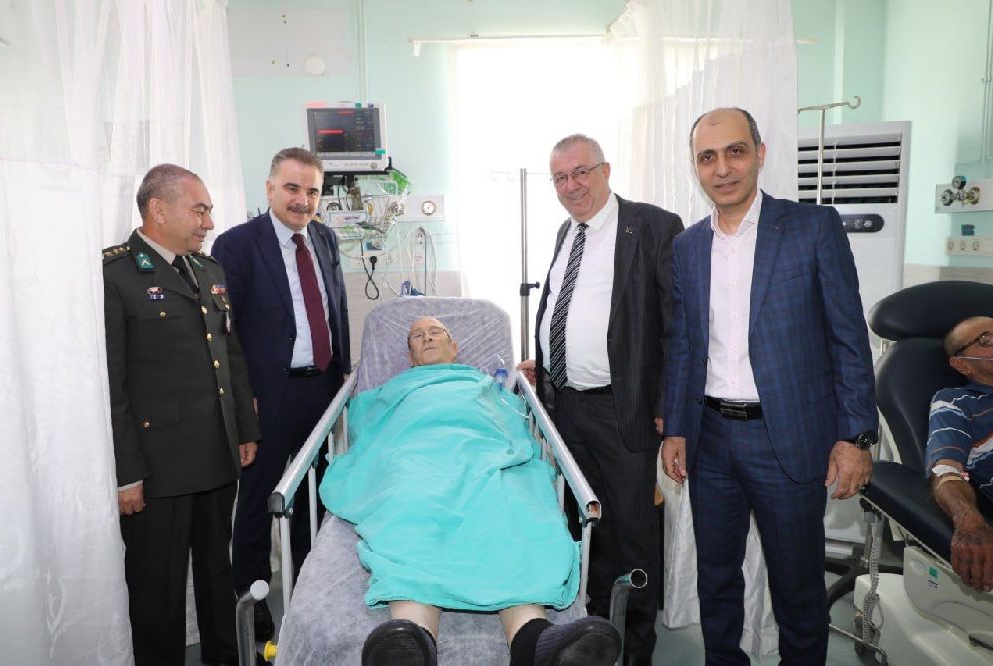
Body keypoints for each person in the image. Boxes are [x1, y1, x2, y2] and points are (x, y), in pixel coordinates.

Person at [660, 107, 878, 665]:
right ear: (695, 168)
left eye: (735, 151)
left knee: (797, 587)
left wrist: (856, 437)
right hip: (710, 439)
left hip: (786, 438)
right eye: (707, 157)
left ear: (759, 153)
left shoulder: (812, 228)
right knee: (716, 580)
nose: (722, 168)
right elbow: (683, 344)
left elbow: (848, 338)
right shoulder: (687, 247)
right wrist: (676, 428)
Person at [323, 317, 622, 666]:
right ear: (411, 358)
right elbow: (370, 432)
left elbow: (510, 428)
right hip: (415, 458)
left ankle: (533, 642)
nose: (427, 337)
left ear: (454, 348)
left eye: (436, 332)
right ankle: (412, 639)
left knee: (511, 508)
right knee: (410, 508)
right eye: (418, 336)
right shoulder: (392, 391)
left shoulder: (482, 385)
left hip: (483, 455)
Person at [520, 133, 683, 665]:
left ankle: (635, 648)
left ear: (606, 170)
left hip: (623, 408)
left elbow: (677, 325)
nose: (571, 186)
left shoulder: (652, 226)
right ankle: (592, 633)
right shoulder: (566, 232)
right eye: (560, 178)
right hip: (566, 407)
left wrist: (669, 406)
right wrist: (546, 363)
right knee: (586, 525)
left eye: (581, 172)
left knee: (633, 532)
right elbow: (565, 309)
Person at [103, 163, 261, 665]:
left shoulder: (208, 270)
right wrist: (127, 473)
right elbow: (112, 385)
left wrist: (244, 430)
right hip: (159, 468)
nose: (208, 223)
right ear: (158, 209)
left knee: (218, 574)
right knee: (158, 591)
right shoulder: (116, 275)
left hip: (216, 454)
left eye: (208, 211)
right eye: (200, 210)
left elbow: (230, 356)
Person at [211, 147, 351, 640]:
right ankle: (253, 602)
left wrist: (343, 378)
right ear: (270, 188)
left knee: (314, 496)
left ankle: (307, 590)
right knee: (257, 500)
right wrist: (240, 396)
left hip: (323, 389)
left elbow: (336, 308)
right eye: (292, 188)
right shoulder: (237, 245)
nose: (302, 200)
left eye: (312, 191)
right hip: (267, 396)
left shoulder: (325, 238)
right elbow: (224, 331)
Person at [925, 315, 993, 592]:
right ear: (961, 364)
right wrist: (968, 520)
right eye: (986, 340)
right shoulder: (956, 402)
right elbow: (946, 471)